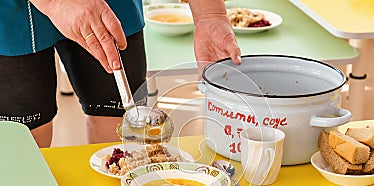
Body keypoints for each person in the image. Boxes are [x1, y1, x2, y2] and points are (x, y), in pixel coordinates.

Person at [0, 0, 241, 148]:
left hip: (113, 4)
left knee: (122, 132)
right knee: (26, 142)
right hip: (11, 10)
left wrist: (209, 14)